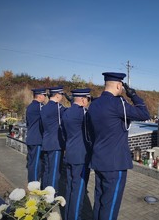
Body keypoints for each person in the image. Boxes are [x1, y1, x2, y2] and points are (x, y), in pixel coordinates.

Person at [87, 72, 150, 220]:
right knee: (110, 208)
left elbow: (90, 133)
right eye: (121, 86)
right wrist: (133, 95)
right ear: (118, 85)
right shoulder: (118, 104)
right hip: (115, 164)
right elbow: (144, 114)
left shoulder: (94, 104)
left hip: (99, 160)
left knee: (100, 202)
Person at [62, 88, 92, 220]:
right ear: (83, 99)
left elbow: (63, 134)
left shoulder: (66, 113)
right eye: (88, 100)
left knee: (70, 190)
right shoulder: (84, 114)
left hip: (69, 155)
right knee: (79, 192)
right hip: (81, 157)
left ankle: (68, 215)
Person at [40, 86, 67, 192]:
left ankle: (44, 194)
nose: (61, 97)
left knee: (47, 170)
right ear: (57, 95)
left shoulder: (44, 108)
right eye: (61, 95)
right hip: (55, 144)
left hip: (46, 142)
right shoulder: (58, 108)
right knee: (54, 172)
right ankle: (51, 198)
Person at [25, 88, 47, 183]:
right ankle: (33, 186)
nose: (45, 97)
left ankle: (32, 182)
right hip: (37, 139)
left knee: (32, 162)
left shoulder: (30, 106)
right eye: (45, 95)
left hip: (31, 137)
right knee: (36, 164)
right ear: (40, 96)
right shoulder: (40, 107)